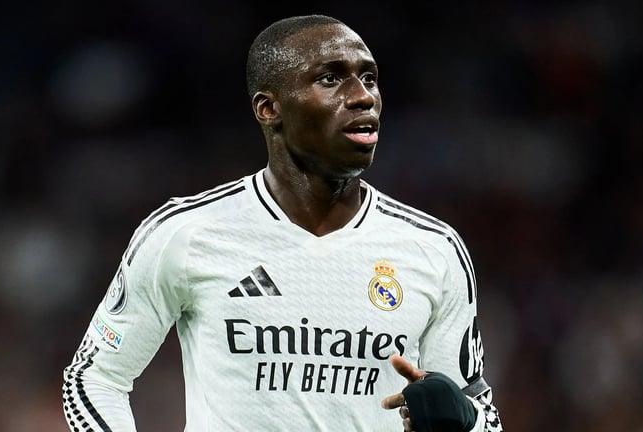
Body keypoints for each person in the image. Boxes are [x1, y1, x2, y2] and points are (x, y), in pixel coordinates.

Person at [62, 14, 503, 432]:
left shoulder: (432, 248)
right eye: (331, 79)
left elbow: (478, 408)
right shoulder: (187, 234)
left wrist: (461, 422)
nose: (363, 96)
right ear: (268, 108)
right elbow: (93, 379)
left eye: (368, 78)